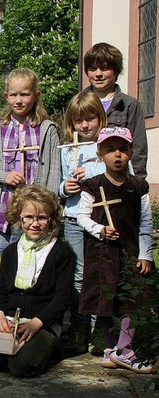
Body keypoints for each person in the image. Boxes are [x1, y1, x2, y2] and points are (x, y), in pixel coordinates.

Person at [76, 127, 153, 374]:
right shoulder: (92, 185)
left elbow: (145, 222)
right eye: (110, 150)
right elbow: (81, 217)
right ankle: (111, 349)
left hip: (129, 254)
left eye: (122, 149)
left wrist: (145, 254)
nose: (116, 155)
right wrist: (100, 229)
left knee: (133, 298)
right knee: (104, 298)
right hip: (101, 253)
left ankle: (125, 348)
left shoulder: (138, 187)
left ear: (131, 152)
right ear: (100, 154)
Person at [0, 185, 73, 377]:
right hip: (13, 321)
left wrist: (37, 323)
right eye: (29, 217)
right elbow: (1, 290)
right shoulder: (11, 252)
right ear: (19, 219)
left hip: (42, 323)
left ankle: (47, 347)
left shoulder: (61, 252)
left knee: (21, 366)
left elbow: (63, 297)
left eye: (42, 218)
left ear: (51, 220)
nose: (34, 224)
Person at [0, 68, 60, 254]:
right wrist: (4, 176)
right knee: (7, 262)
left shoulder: (46, 129)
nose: (19, 100)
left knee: (35, 261)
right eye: (13, 95)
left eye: (24, 94)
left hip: (36, 213)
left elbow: (54, 170)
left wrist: (51, 207)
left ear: (36, 95)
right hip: (5, 208)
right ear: (6, 96)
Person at [58, 91, 109, 354]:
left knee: (101, 273)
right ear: (72, 124)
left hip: (101, 218)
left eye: (90, 119)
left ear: (101, 118)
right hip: (75, 218)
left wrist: (90, 171)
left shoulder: (110, 145)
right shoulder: (68, 150)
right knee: (78, 274)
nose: (85, 125)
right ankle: (79, 328)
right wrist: (65, 188)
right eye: (79, 121)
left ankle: (101, 329)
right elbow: (60, 184)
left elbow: (123, 174)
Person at [82, 42, 148, 179]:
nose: (98, 74)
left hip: (119, 181)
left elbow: (138, 150)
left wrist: (138, 185)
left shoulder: (130, 105)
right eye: (93, 69)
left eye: (105, 68)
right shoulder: (78, 104)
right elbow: (68, 143)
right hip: (85, 182)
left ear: (116, 70)